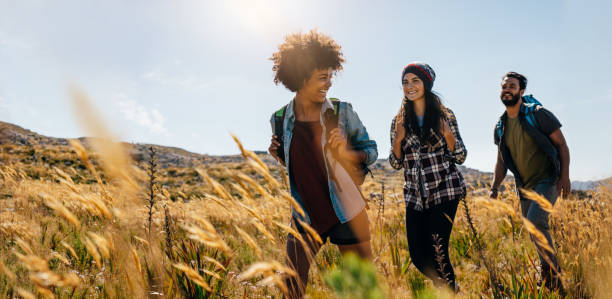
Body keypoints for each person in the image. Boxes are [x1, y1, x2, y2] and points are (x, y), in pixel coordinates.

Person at [267, 30, 378, 299]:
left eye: (331, 77)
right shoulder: (280, 119)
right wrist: (278, 155)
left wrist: (348, 154)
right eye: (321, 77)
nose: (328, 84)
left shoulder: (342, 112)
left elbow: (371, 151)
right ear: (301, 76)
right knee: (291, 285)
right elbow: (301, 162)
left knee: (362, 288)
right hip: (304, 213)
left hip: (347, 210)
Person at [389, 62, 467, 290]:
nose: (409, 86)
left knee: (438, 254)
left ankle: (447, 292)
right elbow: (395, 163)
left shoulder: (445, 115)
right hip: (414, 196)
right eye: (405, 82)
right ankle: (448, 289)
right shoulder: (399, 121)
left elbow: (460, 156)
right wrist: (398, 140)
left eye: (415, 81)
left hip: (445, 191)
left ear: (426, 84)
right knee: (417, 255)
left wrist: (449, 137)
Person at [489, 72, 570, 291]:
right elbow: (501, 160)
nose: (507, 89)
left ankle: (555, 277)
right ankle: (547, 274)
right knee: (533, 230)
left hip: (548, 179)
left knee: (535, 222)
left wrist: (565, 176)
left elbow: (562, 145)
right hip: (524, 186)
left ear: (521, 91)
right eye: (504, 86)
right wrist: (494, 187)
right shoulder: (501, 126)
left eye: (512, 86)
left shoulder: (538, 114)